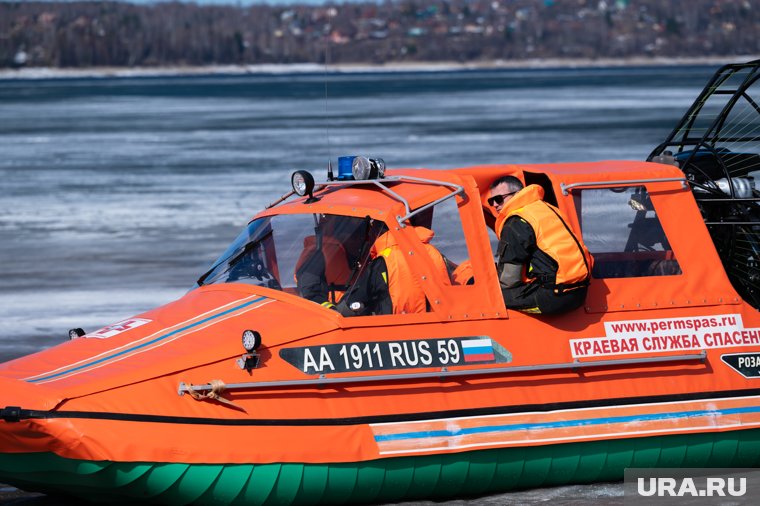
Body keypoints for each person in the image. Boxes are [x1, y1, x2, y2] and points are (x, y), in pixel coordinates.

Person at [488, 175, 591, 315]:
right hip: (580, 291)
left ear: (517, 194)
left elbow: (509, 280)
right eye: (491, 201)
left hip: (554, 298)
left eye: (499, 199)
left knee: (490, 297)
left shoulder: (515, 222)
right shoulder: (547, 208)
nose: (494, 205)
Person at [339, 226, 450, 315]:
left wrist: (336, 310)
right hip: (439, 333)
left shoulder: (383, 261)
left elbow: (355, 300)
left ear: (375, 232)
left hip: (397, 334)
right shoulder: (436, 254)